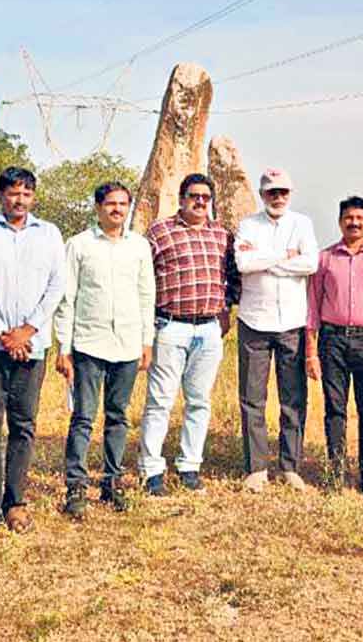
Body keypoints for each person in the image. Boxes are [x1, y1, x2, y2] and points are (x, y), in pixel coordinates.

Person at [0, 167, 65, 536]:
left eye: (26, 193)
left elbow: (57, 286)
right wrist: (5, 334)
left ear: (33, 197)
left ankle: (16, 502)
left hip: (33, 344)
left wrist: (27, 331)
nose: (19, 200)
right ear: (1, 195)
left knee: (24, 425)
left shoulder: (49, 233)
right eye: (12, 193)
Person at [53, 182, 155, 519]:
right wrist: (64, 348)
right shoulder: (79, 245)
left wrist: (146, 341)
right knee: (83, 417)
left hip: (126, 344)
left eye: (123, 204)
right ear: (98, 207)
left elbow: (146, 296)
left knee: (118, 416)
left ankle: (112, 482)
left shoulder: (139, 247)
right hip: (88, 343)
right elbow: (67, 298)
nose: (117, 210)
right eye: (110, 204)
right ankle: (76, 486)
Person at [138, 173, 240, 497]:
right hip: (170, 326)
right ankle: (151, 469)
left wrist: (226, 309)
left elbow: (234, 277)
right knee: (160, 401)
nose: (199, 202)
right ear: (181, 198)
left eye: (205, 197)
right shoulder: (159, 232)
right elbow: (141, 278)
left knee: (199, 401)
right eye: (193, 196)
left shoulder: (223, 235)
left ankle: (189, 466)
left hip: (208, 330)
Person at [306, 196, 363, 499]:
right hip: (332, 341)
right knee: (335, 408)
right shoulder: (325, 259)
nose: (354, 223)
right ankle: (335, 472)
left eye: (360, 218)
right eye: (349, 218)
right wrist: (311, 350)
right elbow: (312, 307)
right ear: (340, 221)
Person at [234, 168, 319, 493]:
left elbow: (310, 264)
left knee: (293, 398)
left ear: (290, 193)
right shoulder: (248, 225)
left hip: (292, 324)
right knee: (252, 398)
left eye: (283, 191)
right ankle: (256, 468)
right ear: (262, 194)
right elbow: (243, 265)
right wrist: (285, 255)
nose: (278, 197)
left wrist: (264, 259)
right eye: (271, 192)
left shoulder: (302, 224)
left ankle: (289, 466)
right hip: (254, 321)